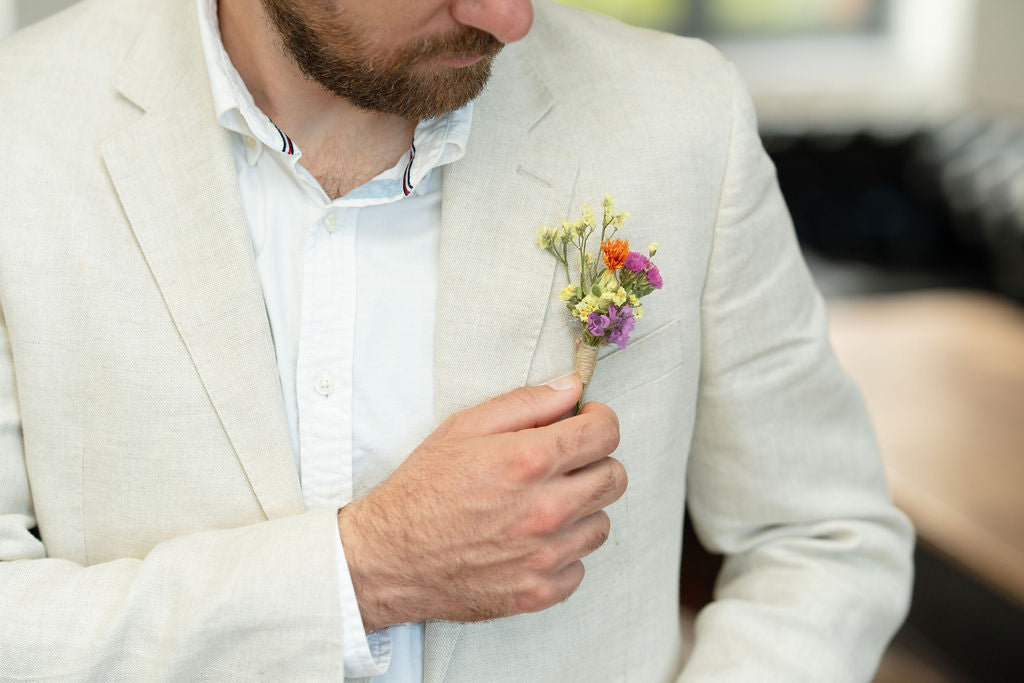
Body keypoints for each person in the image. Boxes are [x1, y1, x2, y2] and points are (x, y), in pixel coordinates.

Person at [0, 0, 913, 680]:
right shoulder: (22, 130)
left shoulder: (681, 116)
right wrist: (366, 572)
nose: (509, 19)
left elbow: (824, 536)